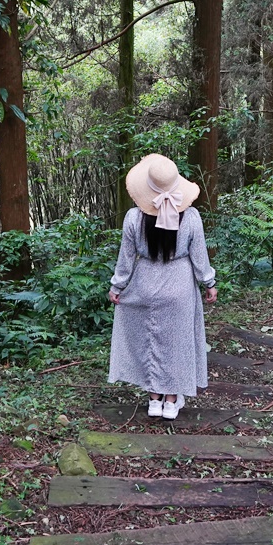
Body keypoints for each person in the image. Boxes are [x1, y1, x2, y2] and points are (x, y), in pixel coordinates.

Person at [107, 153, 217, 420]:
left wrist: (117, 287)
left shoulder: (133, 218)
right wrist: (209, 282)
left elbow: (126, 258)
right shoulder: (190, 216)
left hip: (145, 281)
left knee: (149, 339)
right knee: (177, 343)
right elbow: (199, 256)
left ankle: (153, 400)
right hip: (179, 284)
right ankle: (171, 401)